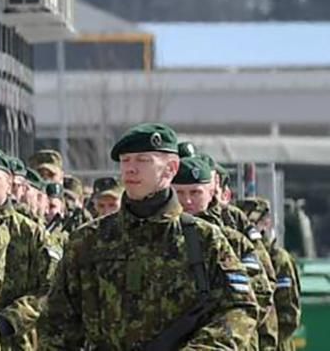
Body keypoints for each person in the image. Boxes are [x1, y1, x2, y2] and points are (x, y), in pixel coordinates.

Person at [37, 124, 258, 349]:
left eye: (143, 160)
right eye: (125, 161)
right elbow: (56, 322)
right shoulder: (88, 241)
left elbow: (239, 310)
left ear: (171, 168)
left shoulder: (203, 240)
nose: (130, 169)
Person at [173, 156, 276, 350]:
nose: (187, 200)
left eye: (195, 192)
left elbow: (260, 295)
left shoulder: (233, 240)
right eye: (179, 192)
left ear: (211, 192)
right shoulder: (157, 238)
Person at [0, 151, 54, 351]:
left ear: (9, 185)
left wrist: (9, 320)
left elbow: (50, 287)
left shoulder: (29, 232)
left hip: (15, 342)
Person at [238, 197, 302, 351]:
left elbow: (288, 314)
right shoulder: (237, 254)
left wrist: (267, 343)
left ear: (266, 223)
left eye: (253, 224)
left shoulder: (278, 259)